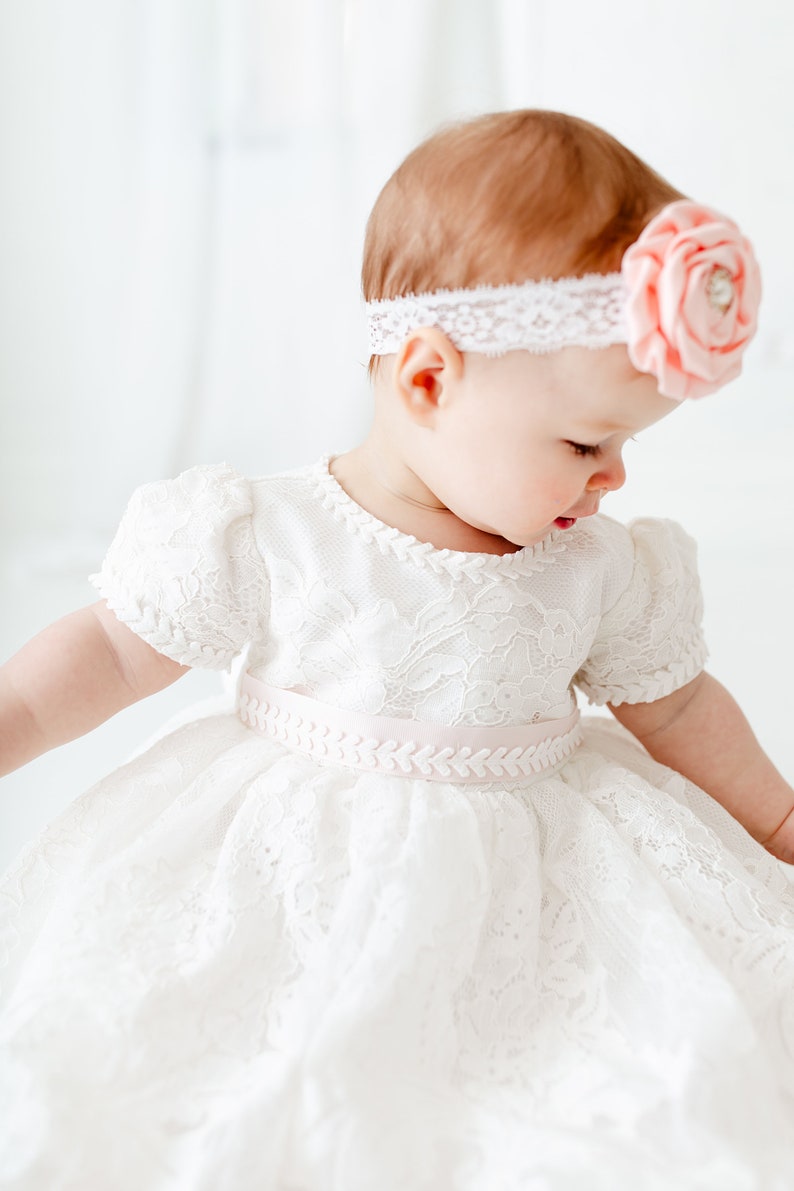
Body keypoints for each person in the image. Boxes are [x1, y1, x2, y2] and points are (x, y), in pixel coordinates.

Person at [1, 109, 793, 1191]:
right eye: (582, 444)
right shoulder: (266, 531)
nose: (613, 479)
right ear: (426, 380)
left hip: (534, 877)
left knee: (589, 1056)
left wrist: (774, 814)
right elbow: (110, 649)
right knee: (214, 1051)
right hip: (293, 868)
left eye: (623, 445)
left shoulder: (599, 566)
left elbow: (676, 706)